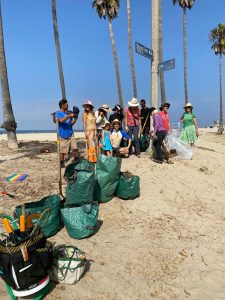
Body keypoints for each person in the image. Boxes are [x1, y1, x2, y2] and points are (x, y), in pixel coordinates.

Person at [53, 99, 78, 168]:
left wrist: (75, 118)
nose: (68, 106)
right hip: (62, 135)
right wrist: (69, 115)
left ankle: (76, 160)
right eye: (67, 105)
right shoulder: (57, 113)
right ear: (62, 105)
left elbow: (71, 124)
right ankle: (61, 163)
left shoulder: (67, 113)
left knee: (75, 148)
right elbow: (60, 121)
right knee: (63, 152)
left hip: (70, 134)